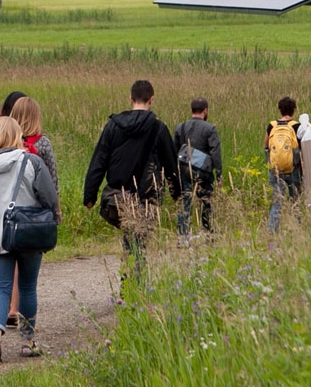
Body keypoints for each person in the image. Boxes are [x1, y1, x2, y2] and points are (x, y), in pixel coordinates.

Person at [0, 116, 58, 362]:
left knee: (1, 287)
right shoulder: (33, 162)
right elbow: (48, 197)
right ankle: (28, 341)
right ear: (17, 136)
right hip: (29, 232)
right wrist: (49, 220)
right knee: (27, 287)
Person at [83, 80, 178, 271]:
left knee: (131, 239)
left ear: (131, 99)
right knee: (139, 243)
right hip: (147, 197)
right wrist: (177, 193)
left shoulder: (113, 127)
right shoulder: (159, 129)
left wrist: (90, 195)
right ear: (151, 99)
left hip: (119, 197)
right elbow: (171, 164)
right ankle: (136, 288)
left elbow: (99, 161)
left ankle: (130, 288)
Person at [7, 95, 58, 324]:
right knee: (29, 281)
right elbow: (52, 183)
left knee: (3, 276)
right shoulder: (43, 144)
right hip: (34, 218)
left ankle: (4, 315)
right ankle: (28, 332)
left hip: (7, 216)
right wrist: (55, 213)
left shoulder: (5, 143)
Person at [173, 97, 222, 237]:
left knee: (185, 201)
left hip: (184, 169)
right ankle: (207, 231)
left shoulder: (180, 127)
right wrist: (219, 174)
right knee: (205, 201)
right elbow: (215, 152)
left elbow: (174, 150)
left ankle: (182, 234)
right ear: (205, 110)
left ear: (192, 110)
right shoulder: (210, 128)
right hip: (204, 171)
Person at [265, 95, 304, 233]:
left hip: (275, 170)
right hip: (293, 169)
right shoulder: (296, 126)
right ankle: (297, 230)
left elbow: (266, 147)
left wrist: (269, 165)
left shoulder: (272, 125)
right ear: (293, 110)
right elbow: (301, 149)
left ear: (280, 110)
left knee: (277, 201)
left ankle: (271, 231)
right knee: (296, 200)